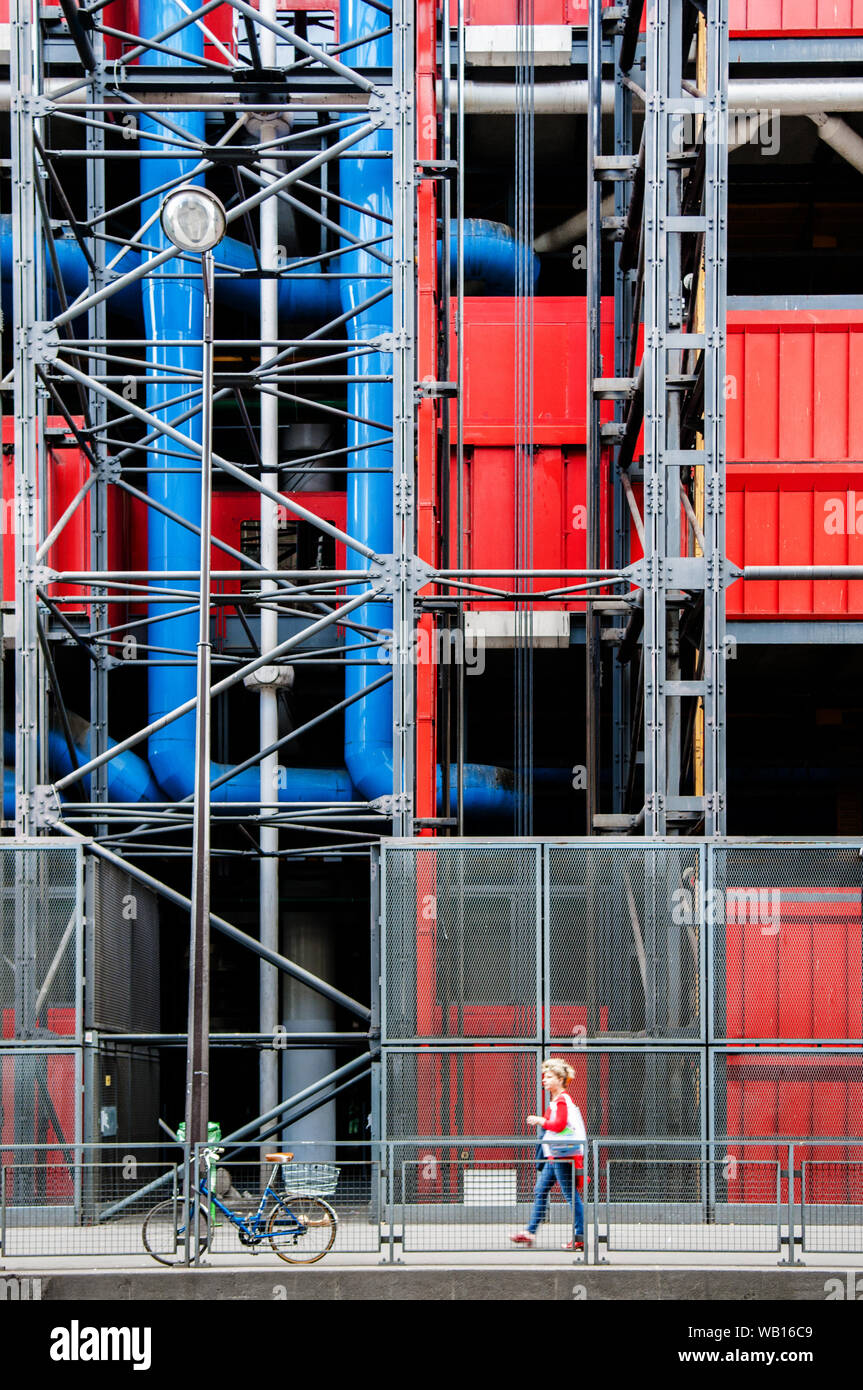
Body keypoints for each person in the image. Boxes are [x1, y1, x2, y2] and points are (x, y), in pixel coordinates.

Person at [510, 1058, 586, 1251]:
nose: (544, 1080)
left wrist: (539, 1120)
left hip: (561, 1157)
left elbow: (558, 1126)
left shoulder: (561, 1101)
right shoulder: (557, 1101)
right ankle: (530, 1232)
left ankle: (580, 1237)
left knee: (570, 1196)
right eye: (545, 1076)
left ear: (560, 1080)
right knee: (541, 1190)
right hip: (556, 1156)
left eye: (549, 1077)